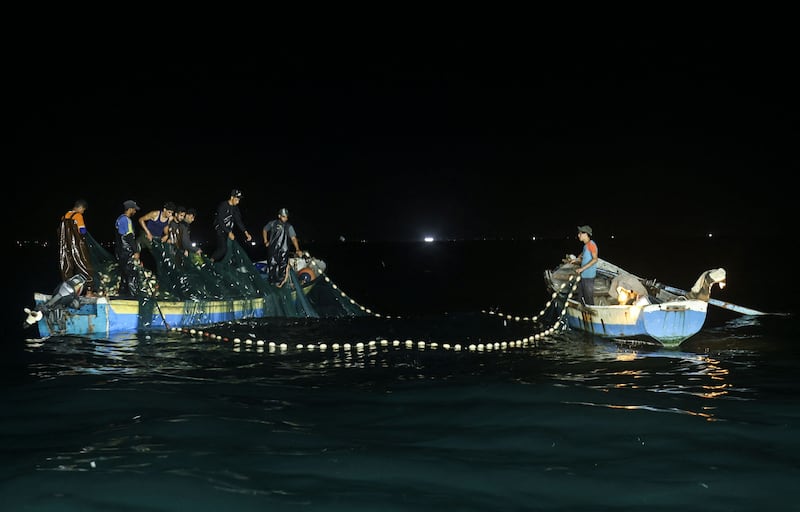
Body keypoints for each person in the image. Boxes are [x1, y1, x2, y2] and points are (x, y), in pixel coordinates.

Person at [57, 198, 95, 296]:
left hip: (64, 248)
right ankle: (89, 292)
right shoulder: (78, 216)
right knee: (85, 266)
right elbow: (82, 231)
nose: (83, 212)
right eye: (83, 210)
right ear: (80, 208)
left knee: (66, 268)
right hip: (77, 247)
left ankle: (67, 292)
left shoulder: (63, 217)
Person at [262, 207, 302, 287]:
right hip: (272, 250)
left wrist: (297, 249)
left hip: (284, 251)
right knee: (272, 267)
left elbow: (293, 238)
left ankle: (281, 285)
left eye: (286, 216)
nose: (285, 218)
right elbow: (264, 230)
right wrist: (265, 241)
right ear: (279, 216)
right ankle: (272, 284)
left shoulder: (289, 226)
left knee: (283, 268)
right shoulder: (272, 223)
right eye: (284, 216)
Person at [210, 189, 252, 262]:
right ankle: (210, 261)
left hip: (229, 231)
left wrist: (246, 233)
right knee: (223, 249)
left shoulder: (235, 209)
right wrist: (228, 232)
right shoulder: (223, 205)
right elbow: (220, 221)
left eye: (239, 199)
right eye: (236, 199)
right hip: (220, 230)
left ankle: (228, 265)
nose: (238, 201)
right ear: (232, 197)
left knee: (231, 249)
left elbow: (239, 221)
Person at [115, 200, 142, 296]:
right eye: (134, 209)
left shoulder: (119, 219)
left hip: (120, 252)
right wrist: (136, 251)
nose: (135, 211)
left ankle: (122, 294)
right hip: (127, 251)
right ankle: (133, 295)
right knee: (132, 274)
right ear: (130, 209)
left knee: (124, 275)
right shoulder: (126, 220)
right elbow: (129, 237)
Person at [570, 225, 598, 305]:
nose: (578, 235)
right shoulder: (586, 246)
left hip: (588, 277)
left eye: (580, 234)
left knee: (589, 300)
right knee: (580, 298)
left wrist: (582, 269)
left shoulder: (591, 245)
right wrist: (575, 260)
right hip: (584, 276)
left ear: (586, 234)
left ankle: (592, 316)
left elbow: (595, 259)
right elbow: (583, 258)